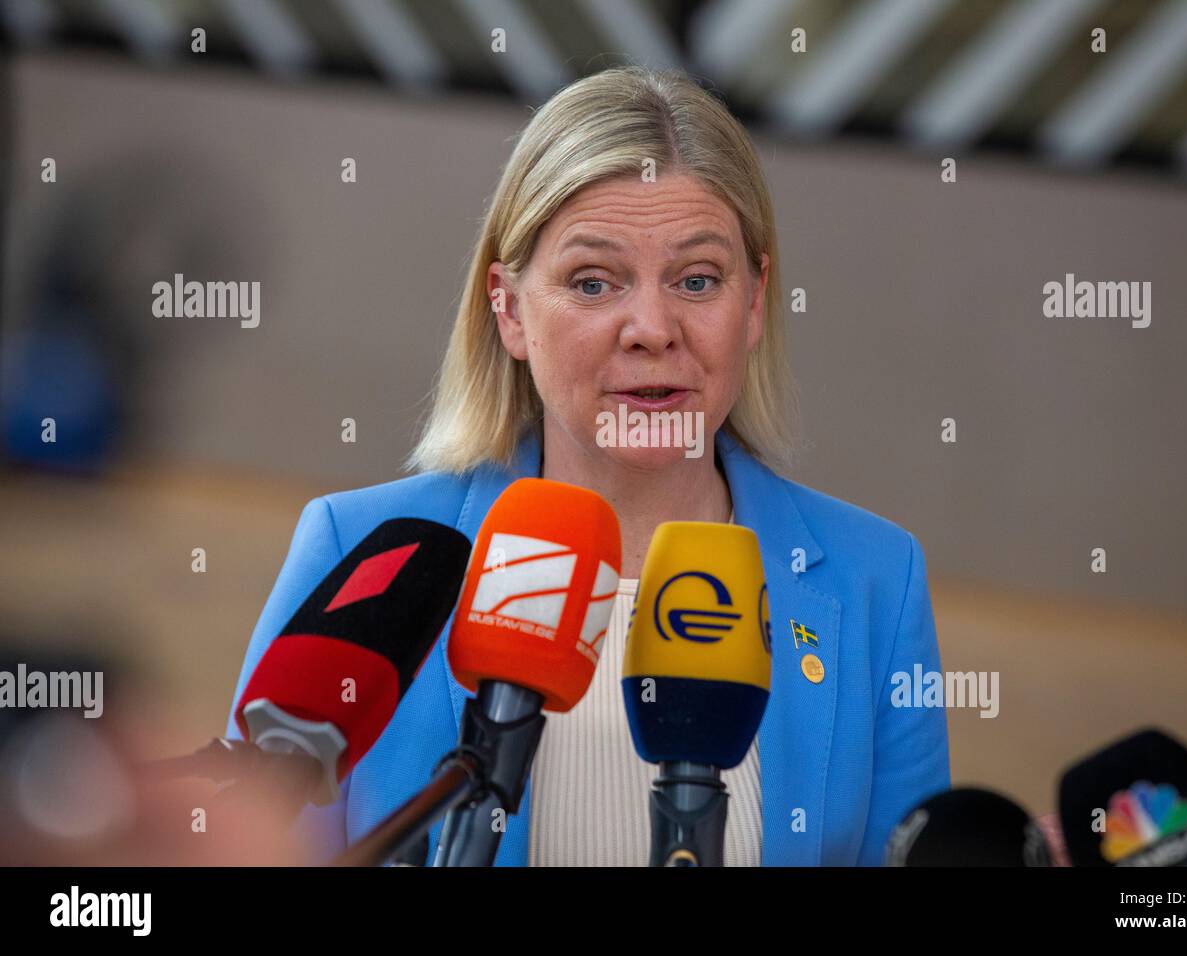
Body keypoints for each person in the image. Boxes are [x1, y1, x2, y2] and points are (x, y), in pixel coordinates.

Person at [226, 66, 949, 866]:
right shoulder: (366, 552)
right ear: (509, 310)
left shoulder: (876, 581)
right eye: (593, 281)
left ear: (753, 302)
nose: (650, 328)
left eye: (698, 279)